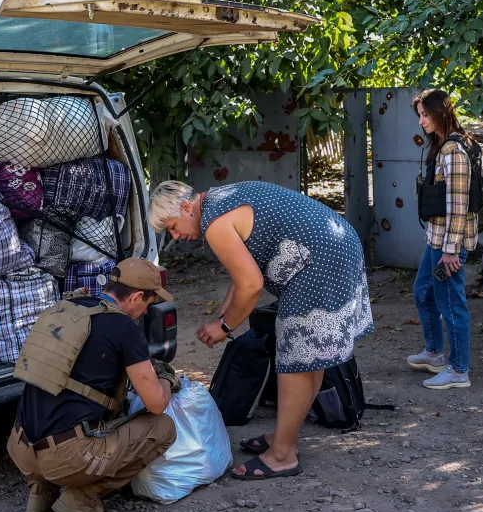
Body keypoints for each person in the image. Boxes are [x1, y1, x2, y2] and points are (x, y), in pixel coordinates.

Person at [148, 179, 374, 481]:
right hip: (336, 243)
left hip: (319, 258)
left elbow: (251, 285)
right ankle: (285, 437)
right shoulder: (220, 199)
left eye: (173, 227)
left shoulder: (215, 222)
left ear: (187, 207)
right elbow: (243, 272)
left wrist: (226, 326)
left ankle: (282, 455)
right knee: (308, 356)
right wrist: (222, 316)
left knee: (294, 355)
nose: (176, 236)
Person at [8, 258, 179, 512]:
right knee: (164, 428)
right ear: (135, 296)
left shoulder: (64, 310)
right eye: (147, 303)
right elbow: (156, 403)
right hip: (65, 457)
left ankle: (40, 495)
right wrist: (167, 378)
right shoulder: (124, 329)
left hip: (21, 448)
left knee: (59, 404)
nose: (146, 311)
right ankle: (82, 498)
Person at [408, 88, 482, 389]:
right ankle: (435, 354)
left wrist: (450, 252)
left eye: (426, 115)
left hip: (449, 247)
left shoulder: (454, 151)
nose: (421, 122)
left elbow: (458, 205)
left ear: (441, 112)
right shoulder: (444, 146)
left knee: (451, 303)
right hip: (437, 242)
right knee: (424, 292)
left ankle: (458, 370)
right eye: (420, 116)